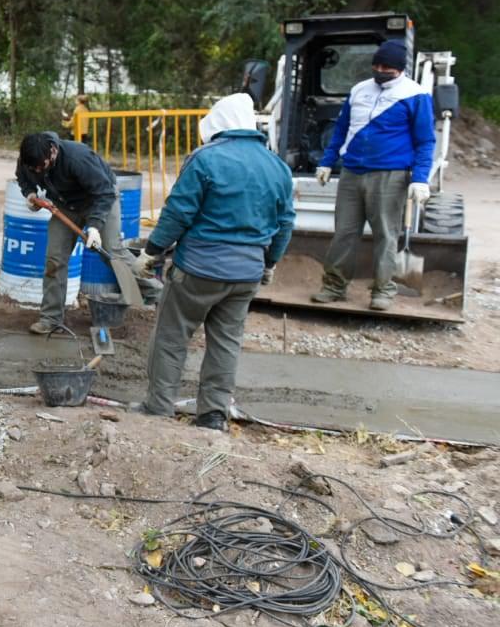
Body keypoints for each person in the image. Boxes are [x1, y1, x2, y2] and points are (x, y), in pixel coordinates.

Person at [131, 93, 295, 431]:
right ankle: (213, 415)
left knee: (172, 337)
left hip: (199, 269)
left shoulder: (205, 159)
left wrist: (153, 251)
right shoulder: (276, 166)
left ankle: (158, 408)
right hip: (247, 273)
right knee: (226, 343)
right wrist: (269, 263)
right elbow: (285, 222)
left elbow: (179, 211)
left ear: (218, 125)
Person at [311, 39, 436, 310]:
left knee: (386, 235)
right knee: (344, 232)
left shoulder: (415, 95)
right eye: (376, 65)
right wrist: (327, 161)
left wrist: (420, 178)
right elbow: (341, 129)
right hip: (351, 172)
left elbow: (425, 140)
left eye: (387, 67)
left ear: (400, 69)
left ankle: (383, 291)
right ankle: (333, 286)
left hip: (390, 174)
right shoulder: (359, 91)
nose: (380, 70)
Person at [15, 130, 149, 334]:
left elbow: (104, 192)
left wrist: (94, 226)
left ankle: (157, 292)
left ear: (52, 152)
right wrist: (30, 193)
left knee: (111, 252)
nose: (38, 171)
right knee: (55, 260)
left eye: (42, 167)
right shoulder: (30, 159)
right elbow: (23, 178)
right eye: (33, 168)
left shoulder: (78, 158)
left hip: (100, 199)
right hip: (65, 206)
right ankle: (51, 319)